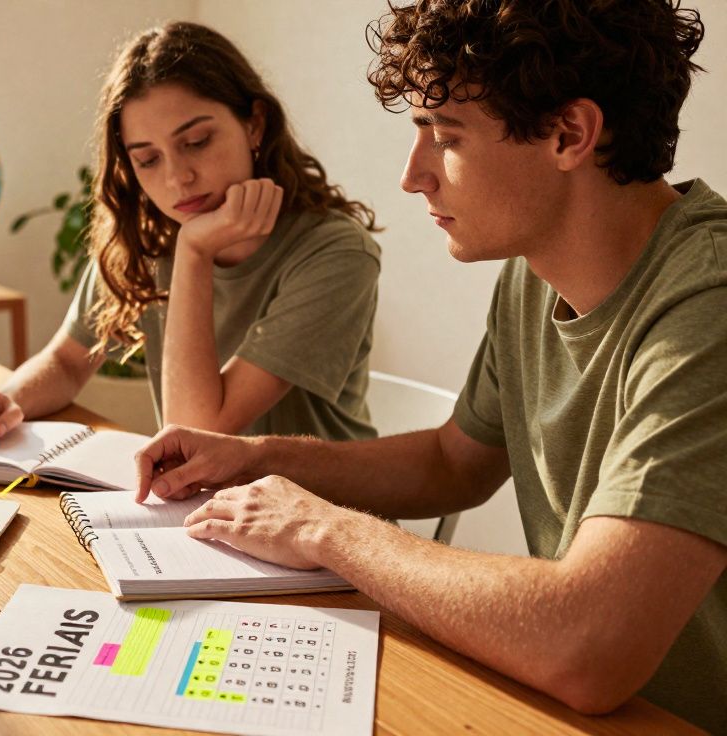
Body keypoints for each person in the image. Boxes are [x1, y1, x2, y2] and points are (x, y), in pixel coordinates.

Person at [134, 1, 726, 730]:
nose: (413, 177)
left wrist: (325, 529)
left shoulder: (710, 303)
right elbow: (455, 462)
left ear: (570, 134)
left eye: (445, 137)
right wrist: (258, 457)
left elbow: (589, 643)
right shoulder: (536, 274)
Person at [0, 21, 382, 448]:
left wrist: (194, 251)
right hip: (202, 507)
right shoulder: (146, 239)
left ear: (255, 124)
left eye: (197, 141)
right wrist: (5, 400)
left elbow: (197, 430)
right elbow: (68, 362)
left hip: (322, 517)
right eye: (148, 159)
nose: (178, 179)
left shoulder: (336, 253)